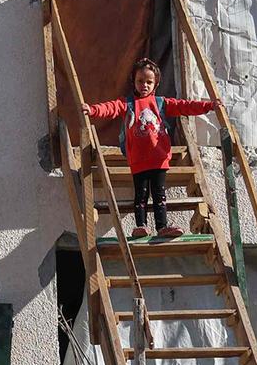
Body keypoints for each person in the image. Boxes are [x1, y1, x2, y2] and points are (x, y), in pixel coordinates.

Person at [85, 57, 218, 239]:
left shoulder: (161, 103)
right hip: (138, 159)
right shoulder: (128, 103)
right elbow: (110, 108)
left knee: (159, 194)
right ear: (134, 81)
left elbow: (184, 106)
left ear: (155, 84)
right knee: (141, 195)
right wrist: (92, 110)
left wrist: (209, 106)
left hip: (159, 158)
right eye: (140, 81)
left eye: (149, 82)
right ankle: (140, 226)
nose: (144, 85)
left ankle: (162, 227)